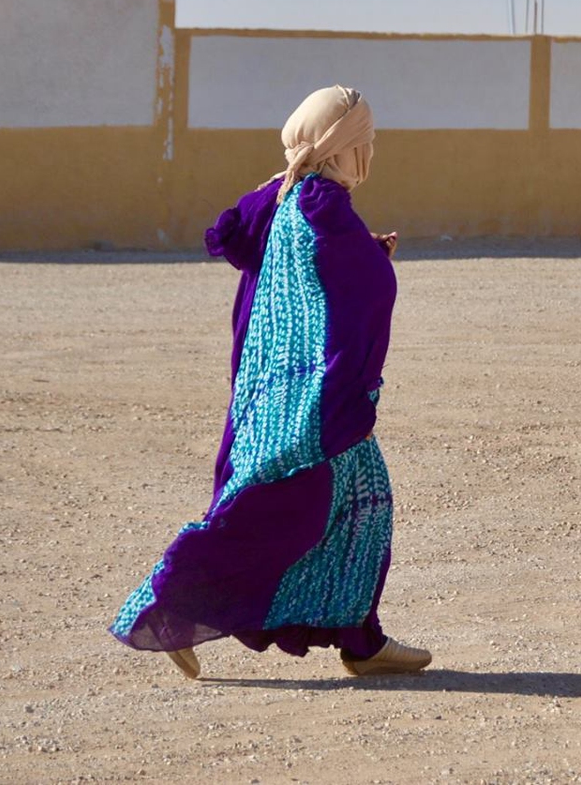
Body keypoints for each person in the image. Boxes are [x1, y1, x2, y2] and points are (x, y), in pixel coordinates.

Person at [110, 86, 431, 679]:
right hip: (313, 402)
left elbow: (239, 237)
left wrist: (363, 252)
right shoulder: (322, 206)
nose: (371, 153)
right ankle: (168, 603)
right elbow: (357, 290)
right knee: (285, 512)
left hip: (269, 390)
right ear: (344, 149)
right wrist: (370, 262)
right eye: (366, 143)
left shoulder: (278, 197)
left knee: (349, 509)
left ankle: (361, 640)